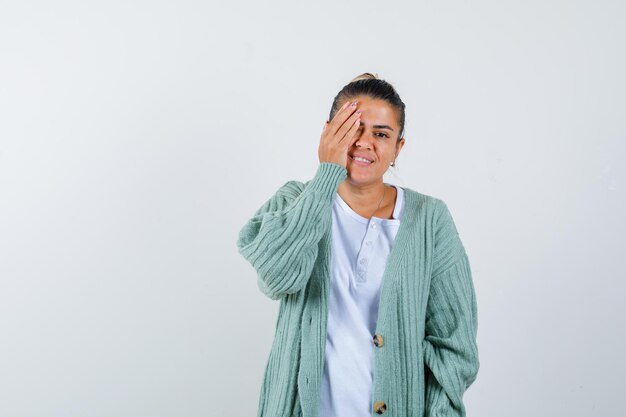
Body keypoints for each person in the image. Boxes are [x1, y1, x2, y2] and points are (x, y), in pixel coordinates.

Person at [236, 73, 479, 417]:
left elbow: (455, 345)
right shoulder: (294, 200)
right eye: (352, 128)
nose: (364, 142)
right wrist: (325, 177)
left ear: (398, 147)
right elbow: (277, 277)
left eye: (381, 134)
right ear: (329, 133)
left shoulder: (429, 219)